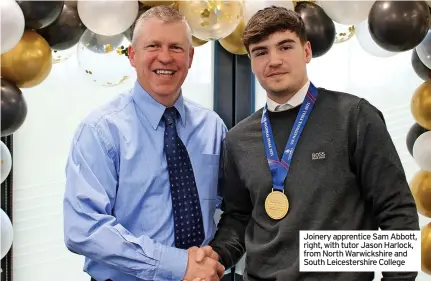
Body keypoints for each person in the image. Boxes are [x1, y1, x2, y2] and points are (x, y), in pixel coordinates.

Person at [196, 6, 420, 281]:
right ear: (252, 61)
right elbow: (238, 218)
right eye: (261, 52)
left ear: (306, 52)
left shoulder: (354, 117)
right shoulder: (238, 138)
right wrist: (216, 257)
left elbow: (396, 210)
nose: (274, 60)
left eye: (285, 47)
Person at [63, 5, 226, 281]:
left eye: (176, 47)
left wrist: (210, 260)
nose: (165, 57)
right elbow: (84, 228)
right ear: (133, 55)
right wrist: (177, 264)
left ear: (190, 56)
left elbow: (231, 206)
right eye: (153, 46)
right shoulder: (101, 130)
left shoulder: (212, 127)